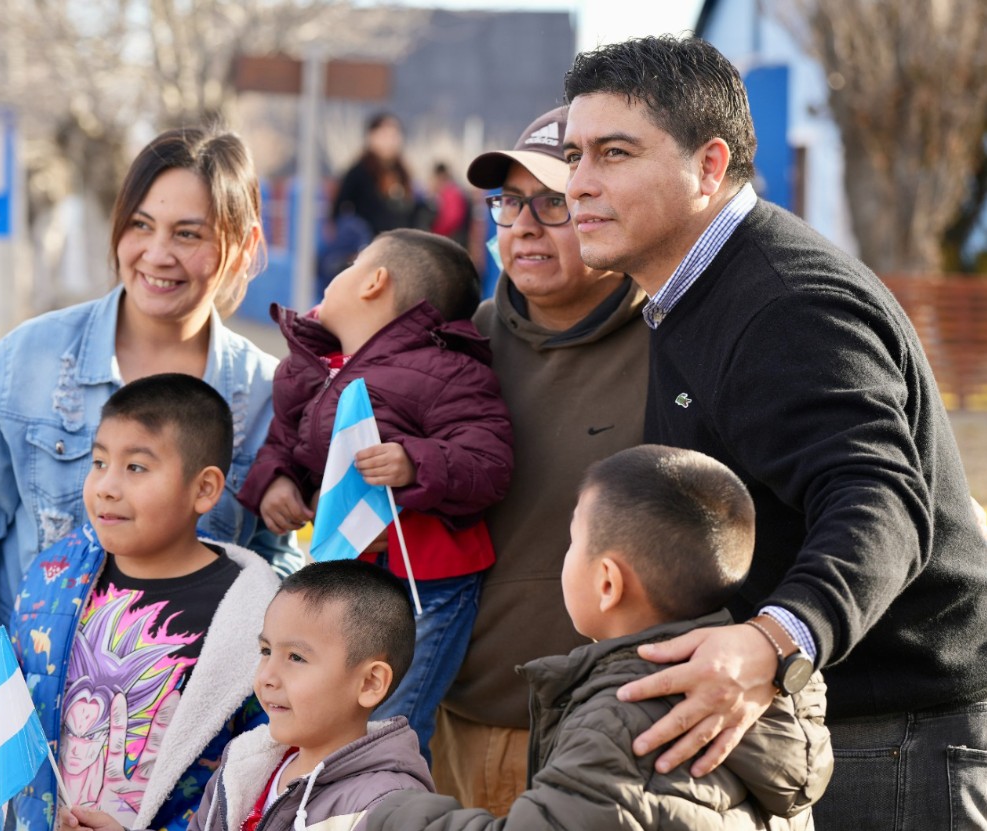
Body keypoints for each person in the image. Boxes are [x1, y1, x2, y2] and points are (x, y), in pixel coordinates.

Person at [560, 35, 987, 831]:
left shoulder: (784, 304)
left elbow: (881, 500)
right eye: (574, 154)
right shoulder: (693, 290)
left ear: (708, 165)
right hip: (829, 730)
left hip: (893, 738)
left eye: (613, 153)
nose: (577, 184)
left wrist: (769, 645)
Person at [0, 126, 302, 831]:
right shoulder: (22, 360)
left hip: (182, 770)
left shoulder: (270, 396)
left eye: (189, 233)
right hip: (17, 733)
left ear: (241, 246)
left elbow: (280, 581)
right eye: (141, 225)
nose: (157, 254)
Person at [372, 444, 833, 829]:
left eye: (573, 541)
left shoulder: (624, 716)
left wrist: (387, 813)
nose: (566, 555)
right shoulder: (761, 693)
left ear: (608, 583)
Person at [0, 374, 281, 831]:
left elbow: (263, 776)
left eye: (136, 468)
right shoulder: (56, 575)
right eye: (99, 461)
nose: (106, 486)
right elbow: (33, 679)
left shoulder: (253, 617)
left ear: (204, 489)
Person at [429, 106, 649, 816]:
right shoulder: (459, 346)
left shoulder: (674, 345)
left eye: (551, 202)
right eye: (508, 202)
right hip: (451, 726)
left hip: (602, 740)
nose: (522, 223)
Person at [238, 228, 514, 763]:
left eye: (350, 264)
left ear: (373, 282)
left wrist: (415, 462)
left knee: (390, 721)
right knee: (324, 715)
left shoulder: (448, 368)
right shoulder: (312, 368)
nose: (333, 277)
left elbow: (491, 462)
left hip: (424, 585)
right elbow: (283, 443)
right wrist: (277, 483)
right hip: (342, 577)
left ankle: (386, 809)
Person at [187, 560, 434, 830]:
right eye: (266, 651)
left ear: (369, 683)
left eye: (296, 657)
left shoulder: (385, 808)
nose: (267, 677)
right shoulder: (242, 766)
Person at [332, 113, 428, 240]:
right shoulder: (360, 171)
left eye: (394, 135)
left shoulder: (403, 171)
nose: (390, 141)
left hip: (401, 244)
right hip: (369, 244)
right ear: (372, 137)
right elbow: (340, 206)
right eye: (385, 135)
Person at [429, 162, 471, 249]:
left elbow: (452, 218)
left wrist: (435, 232)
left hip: (453, 239)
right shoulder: (452, 191)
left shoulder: (450, 193)